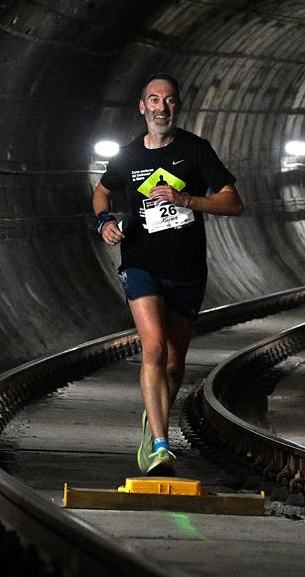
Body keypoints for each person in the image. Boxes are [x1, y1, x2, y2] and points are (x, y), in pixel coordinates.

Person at [92, 74, 243, 475]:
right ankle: (161, 445)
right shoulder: (128, 156)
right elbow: (102, 190)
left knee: (174, 365)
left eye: (170, 100)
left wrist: (187, 199)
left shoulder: (195, 151)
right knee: (154, 348)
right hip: (142, 264)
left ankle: (152, 417)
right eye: (154, 101)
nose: (162, 108)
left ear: (178, 106)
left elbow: (233, 202)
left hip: (187, 269)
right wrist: (104, 220)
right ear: (142, 107)